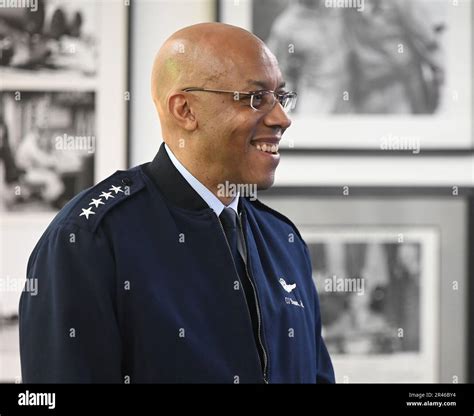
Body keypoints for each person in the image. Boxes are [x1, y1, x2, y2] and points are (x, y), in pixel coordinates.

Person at [19, 23, 334, 383]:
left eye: (282, 96)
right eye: (256, 98)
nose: (282, 118)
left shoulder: (284, 241)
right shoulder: (89, 241)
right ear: (184, 110)